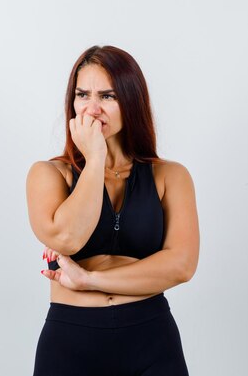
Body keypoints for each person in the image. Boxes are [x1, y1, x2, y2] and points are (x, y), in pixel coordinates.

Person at [25, 45, 200, 376]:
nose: (92, 108)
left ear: (131, 102)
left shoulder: (170, 176)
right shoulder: (48, 174)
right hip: (71, 340)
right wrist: (94, 159)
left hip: (151, 336)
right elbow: (68, 239)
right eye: (82, 94)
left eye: (108, 96)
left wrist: (90, 279)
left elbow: (181, 265)